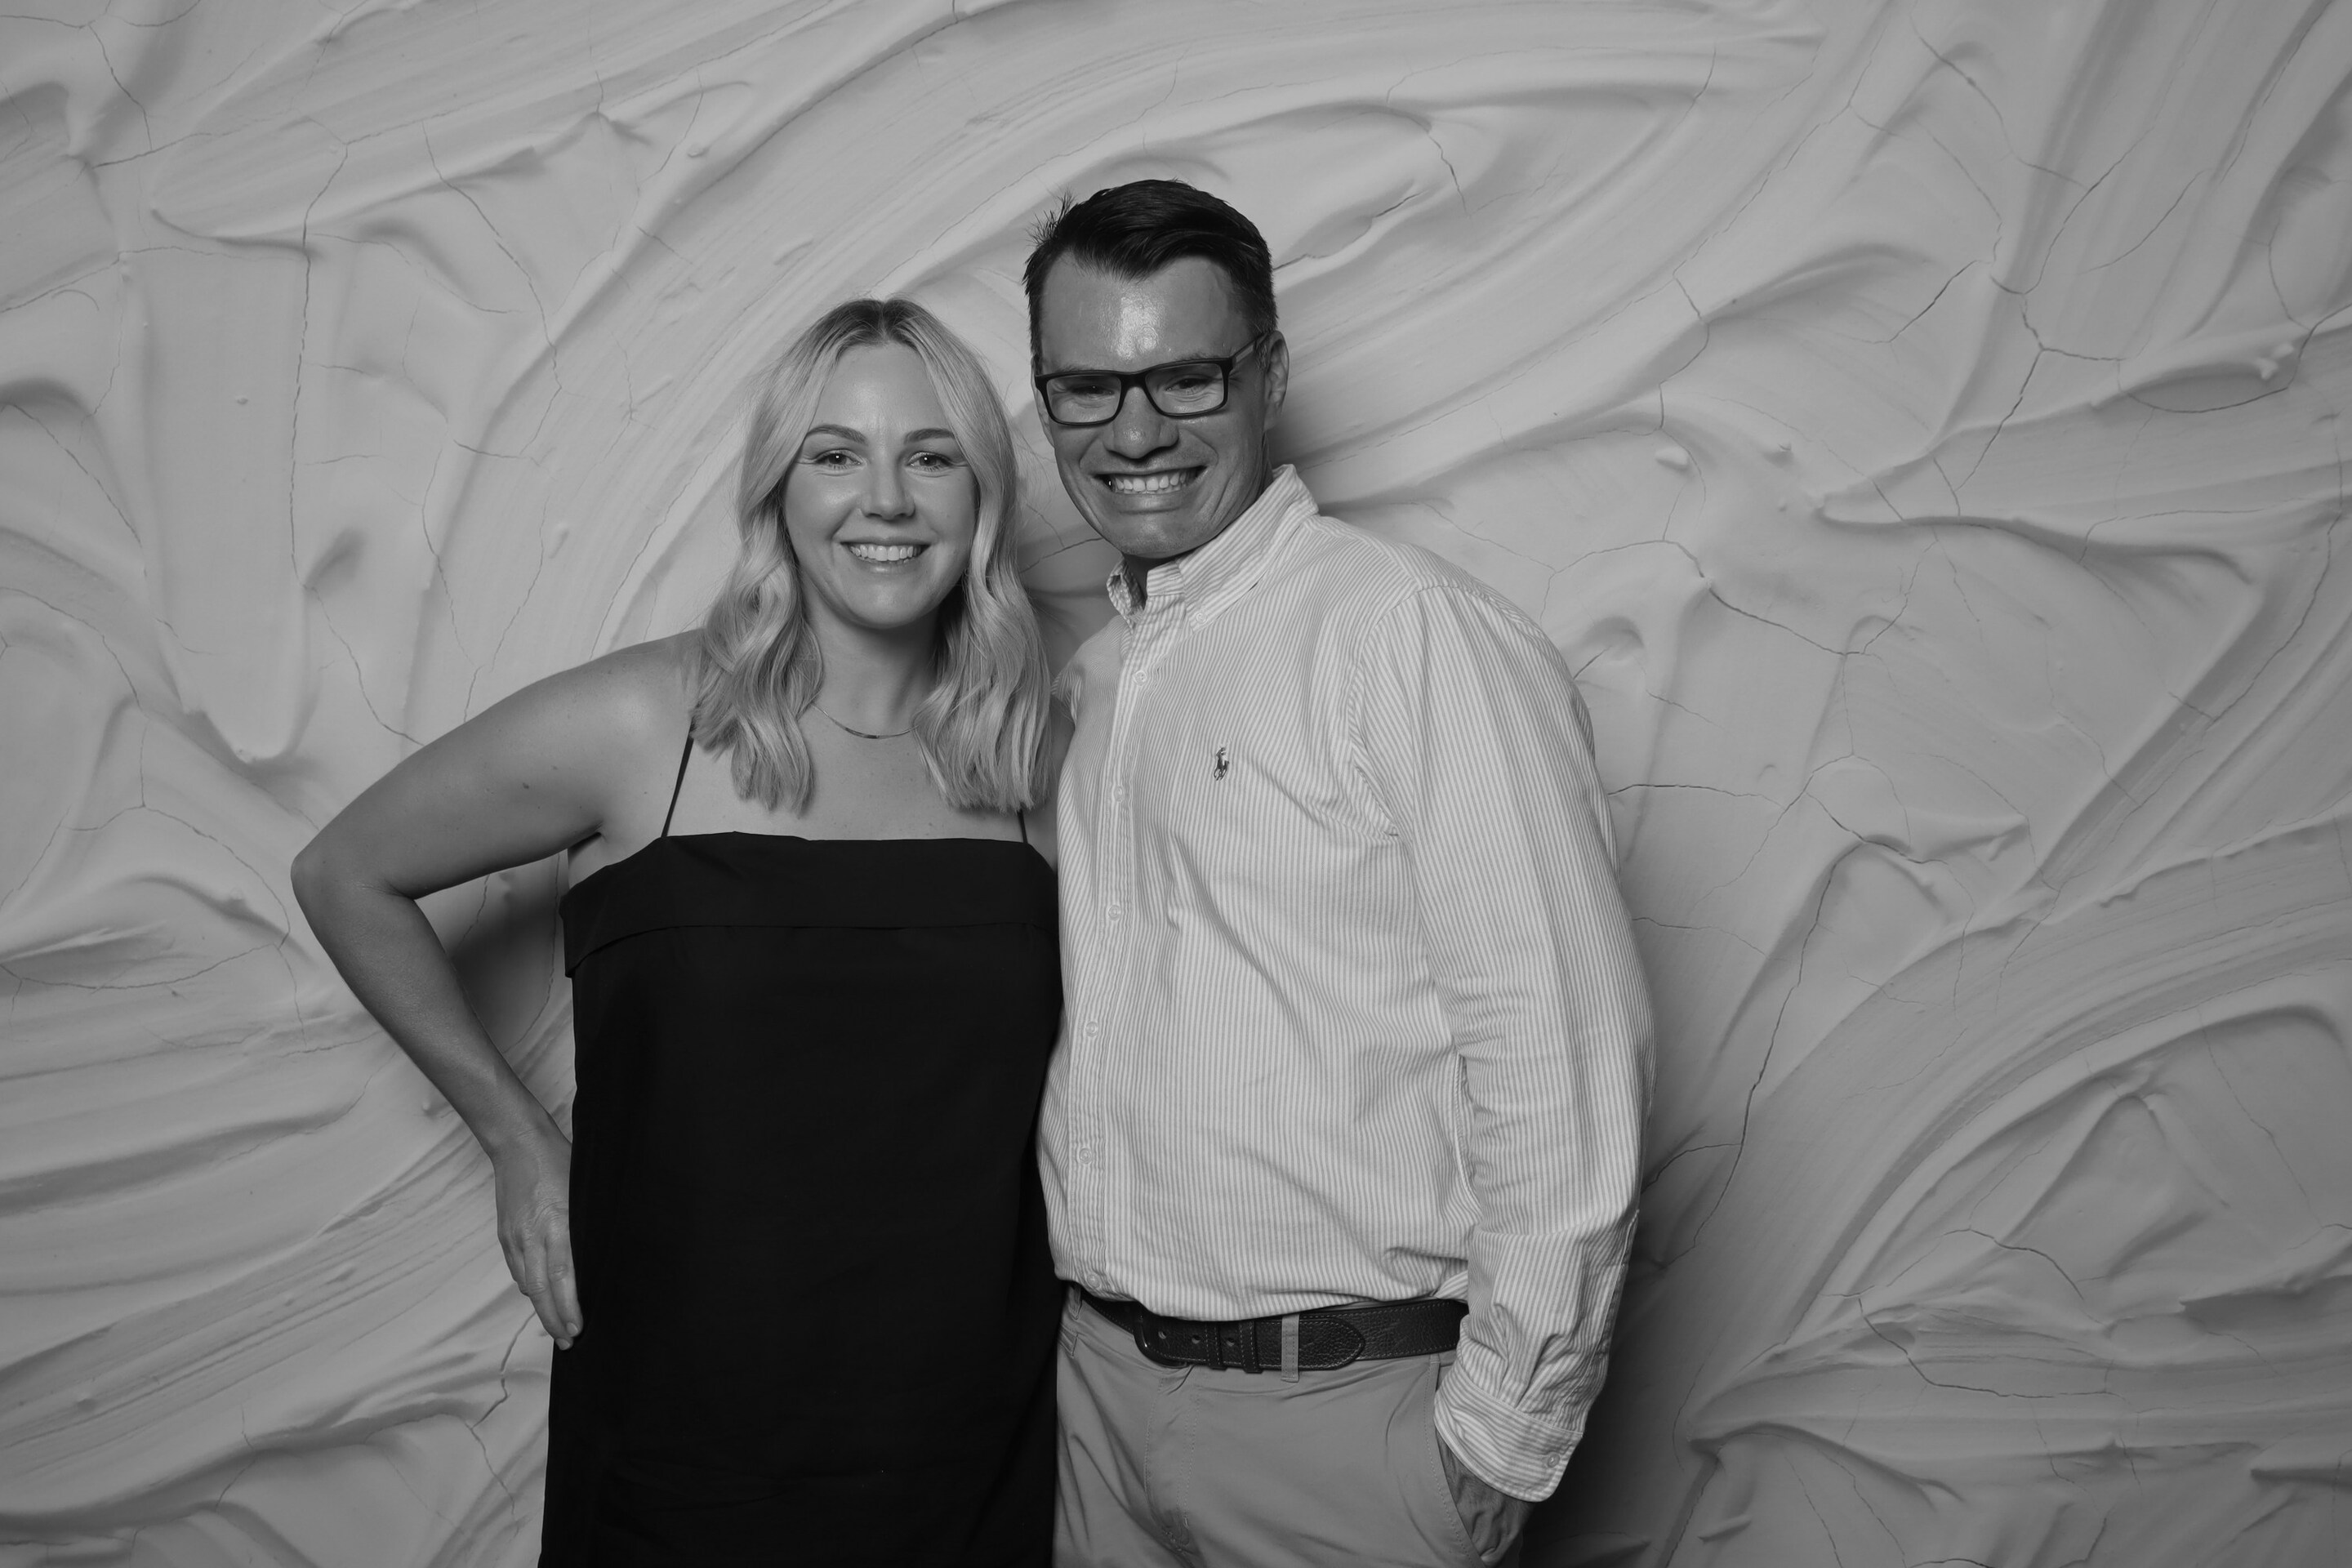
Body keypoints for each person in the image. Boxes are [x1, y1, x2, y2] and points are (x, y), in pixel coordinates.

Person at [292, 298, 1064, 1566]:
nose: (885, 498)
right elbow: (346, 873)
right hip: (683, 1433)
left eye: (931, 456)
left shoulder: (1037, 758)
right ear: (778, 491)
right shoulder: (645, 727)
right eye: (835, 453)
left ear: (981, 493)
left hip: (972, 1438)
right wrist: (516, 1138)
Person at [1027, 180, 1654, 1567]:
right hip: (1097, 1410)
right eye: (1087, 388)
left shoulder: (1405, 635)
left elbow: (1559, 1045)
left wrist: (1498, 1438)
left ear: (1270, 375)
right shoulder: (1095, 684)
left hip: (1343, 1425)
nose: (1135, 430)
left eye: (1186, 376)